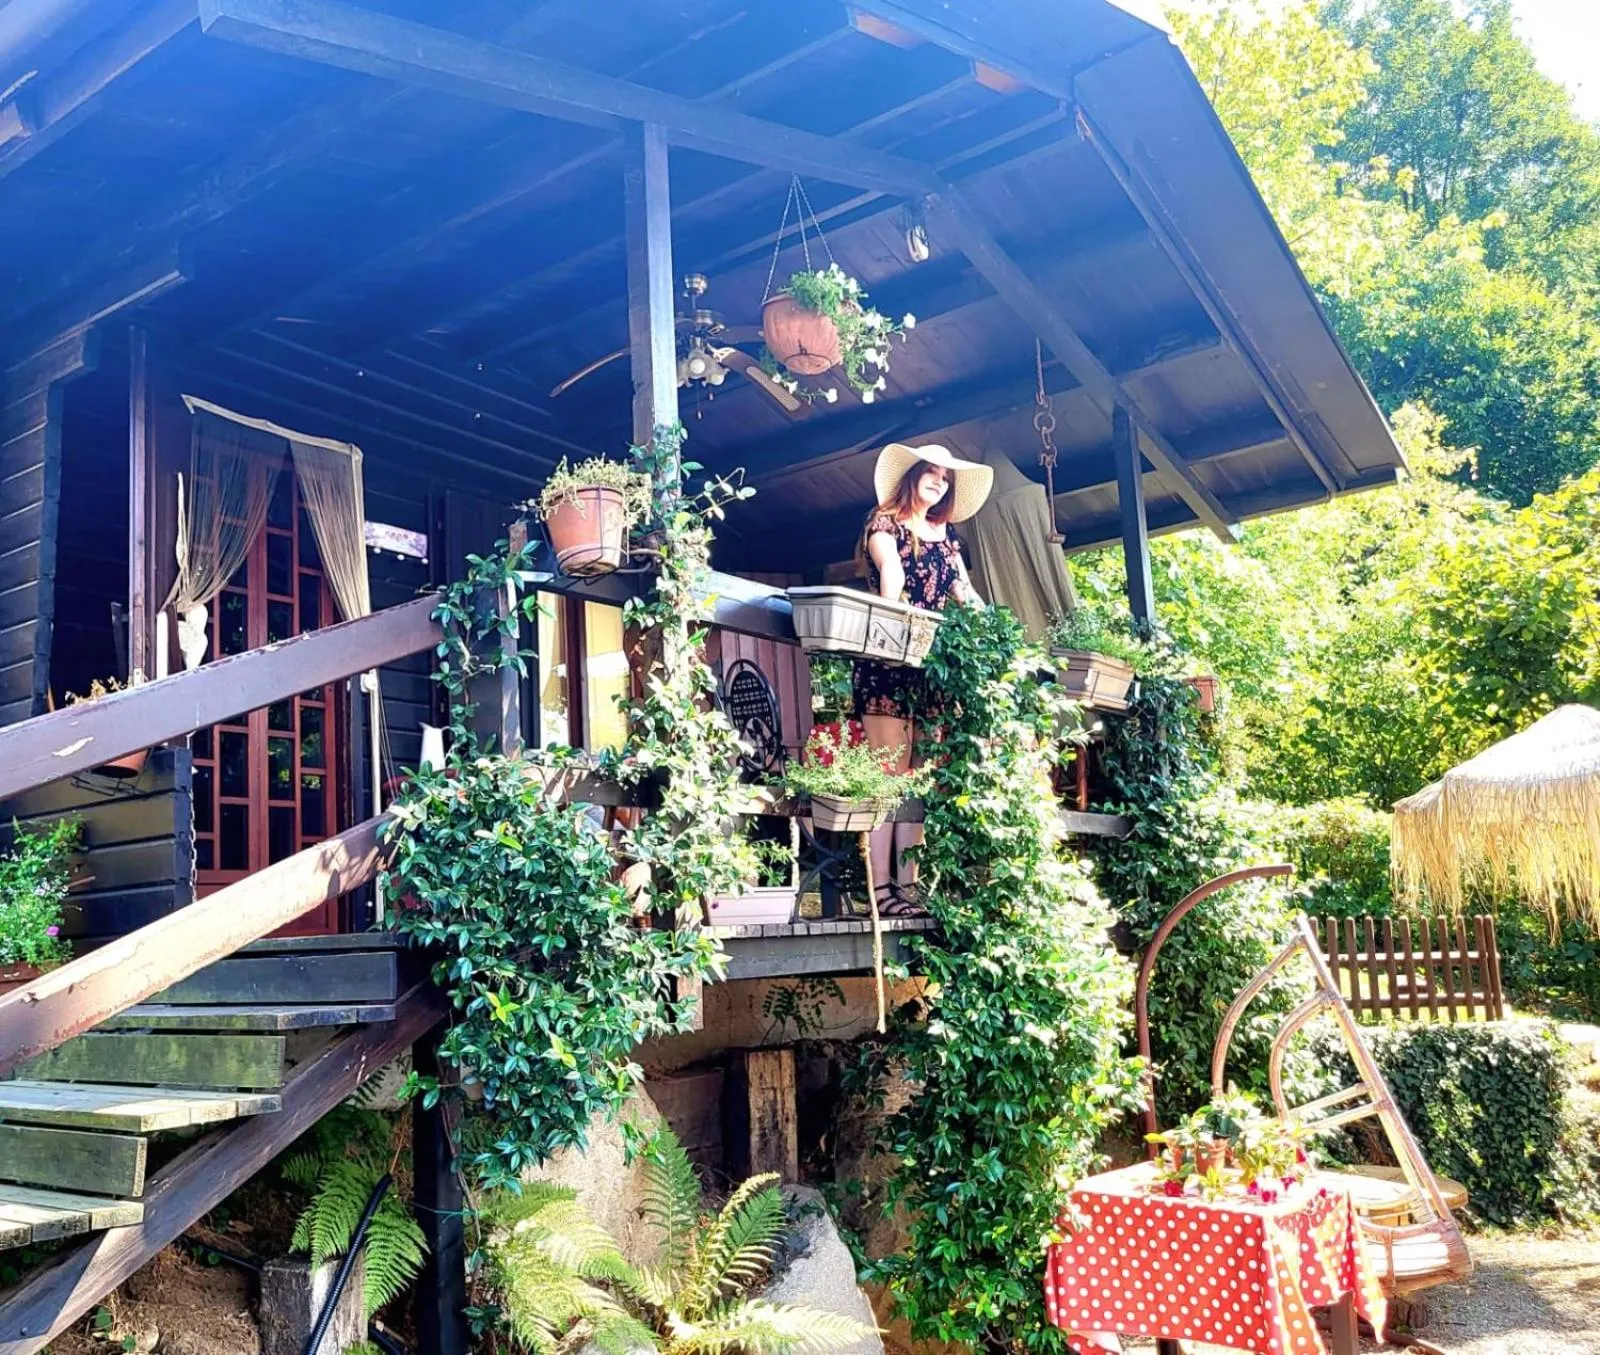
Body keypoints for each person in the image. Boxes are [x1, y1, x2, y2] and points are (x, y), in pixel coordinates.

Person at [853, 442, 992, 914]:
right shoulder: (884, 523)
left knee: (917, 780)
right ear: (912, 476)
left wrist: (995, 636)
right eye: (930, 473)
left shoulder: (944, 535)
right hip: (888, 665)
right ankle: (878, 894)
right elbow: (890, 574)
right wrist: (898, 628)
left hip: (930, 671)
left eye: (945, 476)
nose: (939, 481)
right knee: (887, 776)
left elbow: (964, 593)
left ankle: (907, 891)